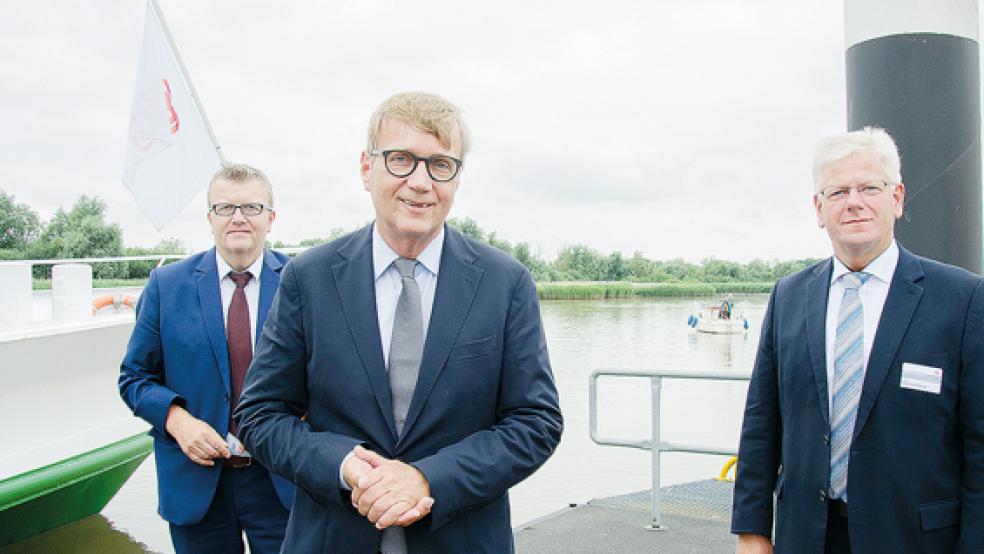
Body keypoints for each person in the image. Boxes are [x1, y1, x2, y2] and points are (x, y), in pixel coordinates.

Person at [235, 91, 563, 553]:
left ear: (457, 177)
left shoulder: (505, 282)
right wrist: (344, 464)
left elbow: (536, 422)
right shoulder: (307, 278)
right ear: (367, 170)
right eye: (401, 160)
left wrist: (428, 478)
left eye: (440, 165)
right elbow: (260, 415)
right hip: (332, 539)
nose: (421, 182)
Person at [730, 126, 984, 553]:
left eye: (869, 187)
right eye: (838, 192)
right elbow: (761, 425)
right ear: (818, 208)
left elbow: (979, 445)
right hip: (805, 536)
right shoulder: (789, 297)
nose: (854, 203)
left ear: (897, 198)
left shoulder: (962, 300)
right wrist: (752, 531)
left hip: (914, 539)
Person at [119, 164, 294, 554]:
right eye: (225, 208)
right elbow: (134, 378)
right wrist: (178, 422)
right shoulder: (166, 286)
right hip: (195, 483)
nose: (238, 218)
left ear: (271, 217)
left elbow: (329, 376)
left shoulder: (303, 282)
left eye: (251, 207)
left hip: (282, 482)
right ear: (209, 217)